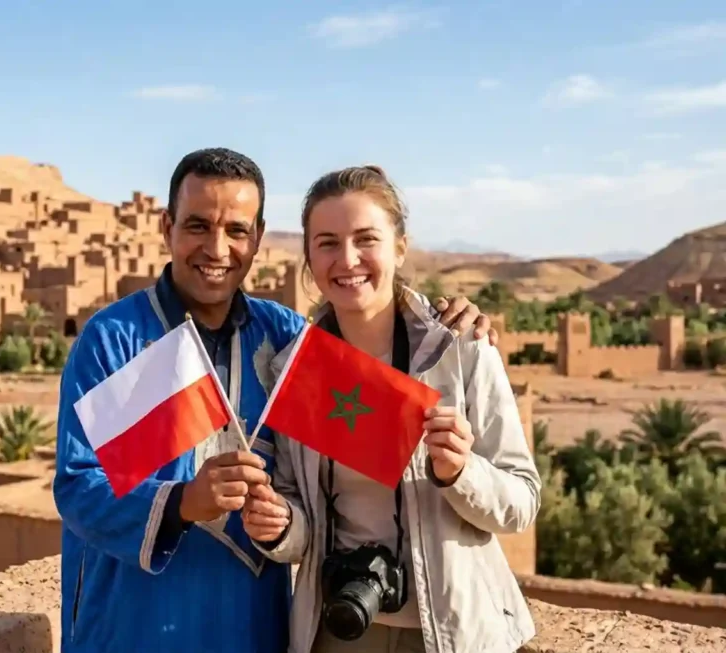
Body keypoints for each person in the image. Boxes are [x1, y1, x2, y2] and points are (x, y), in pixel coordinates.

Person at [53, 149, 501, 653]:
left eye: (237, 231)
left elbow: (393, 433)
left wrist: (447, 324)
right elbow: (77, 488)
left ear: (258, 237)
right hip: (130, 627)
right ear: (167, 227)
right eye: (198, 226)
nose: (217, 248)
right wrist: (183, 502)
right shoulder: (115, 339)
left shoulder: (285, 341)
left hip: (249, 629)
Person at [241, 164, 541, 653]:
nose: (348, 259)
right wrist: (278, 526)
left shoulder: (457, 349)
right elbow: (301, 522)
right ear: (309, 259)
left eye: (366, 239)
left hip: (452, 630)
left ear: (400, 247)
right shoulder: (297, 370)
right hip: (341, 625)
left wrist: (460, 473)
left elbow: (521, 503)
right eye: (328, 242)